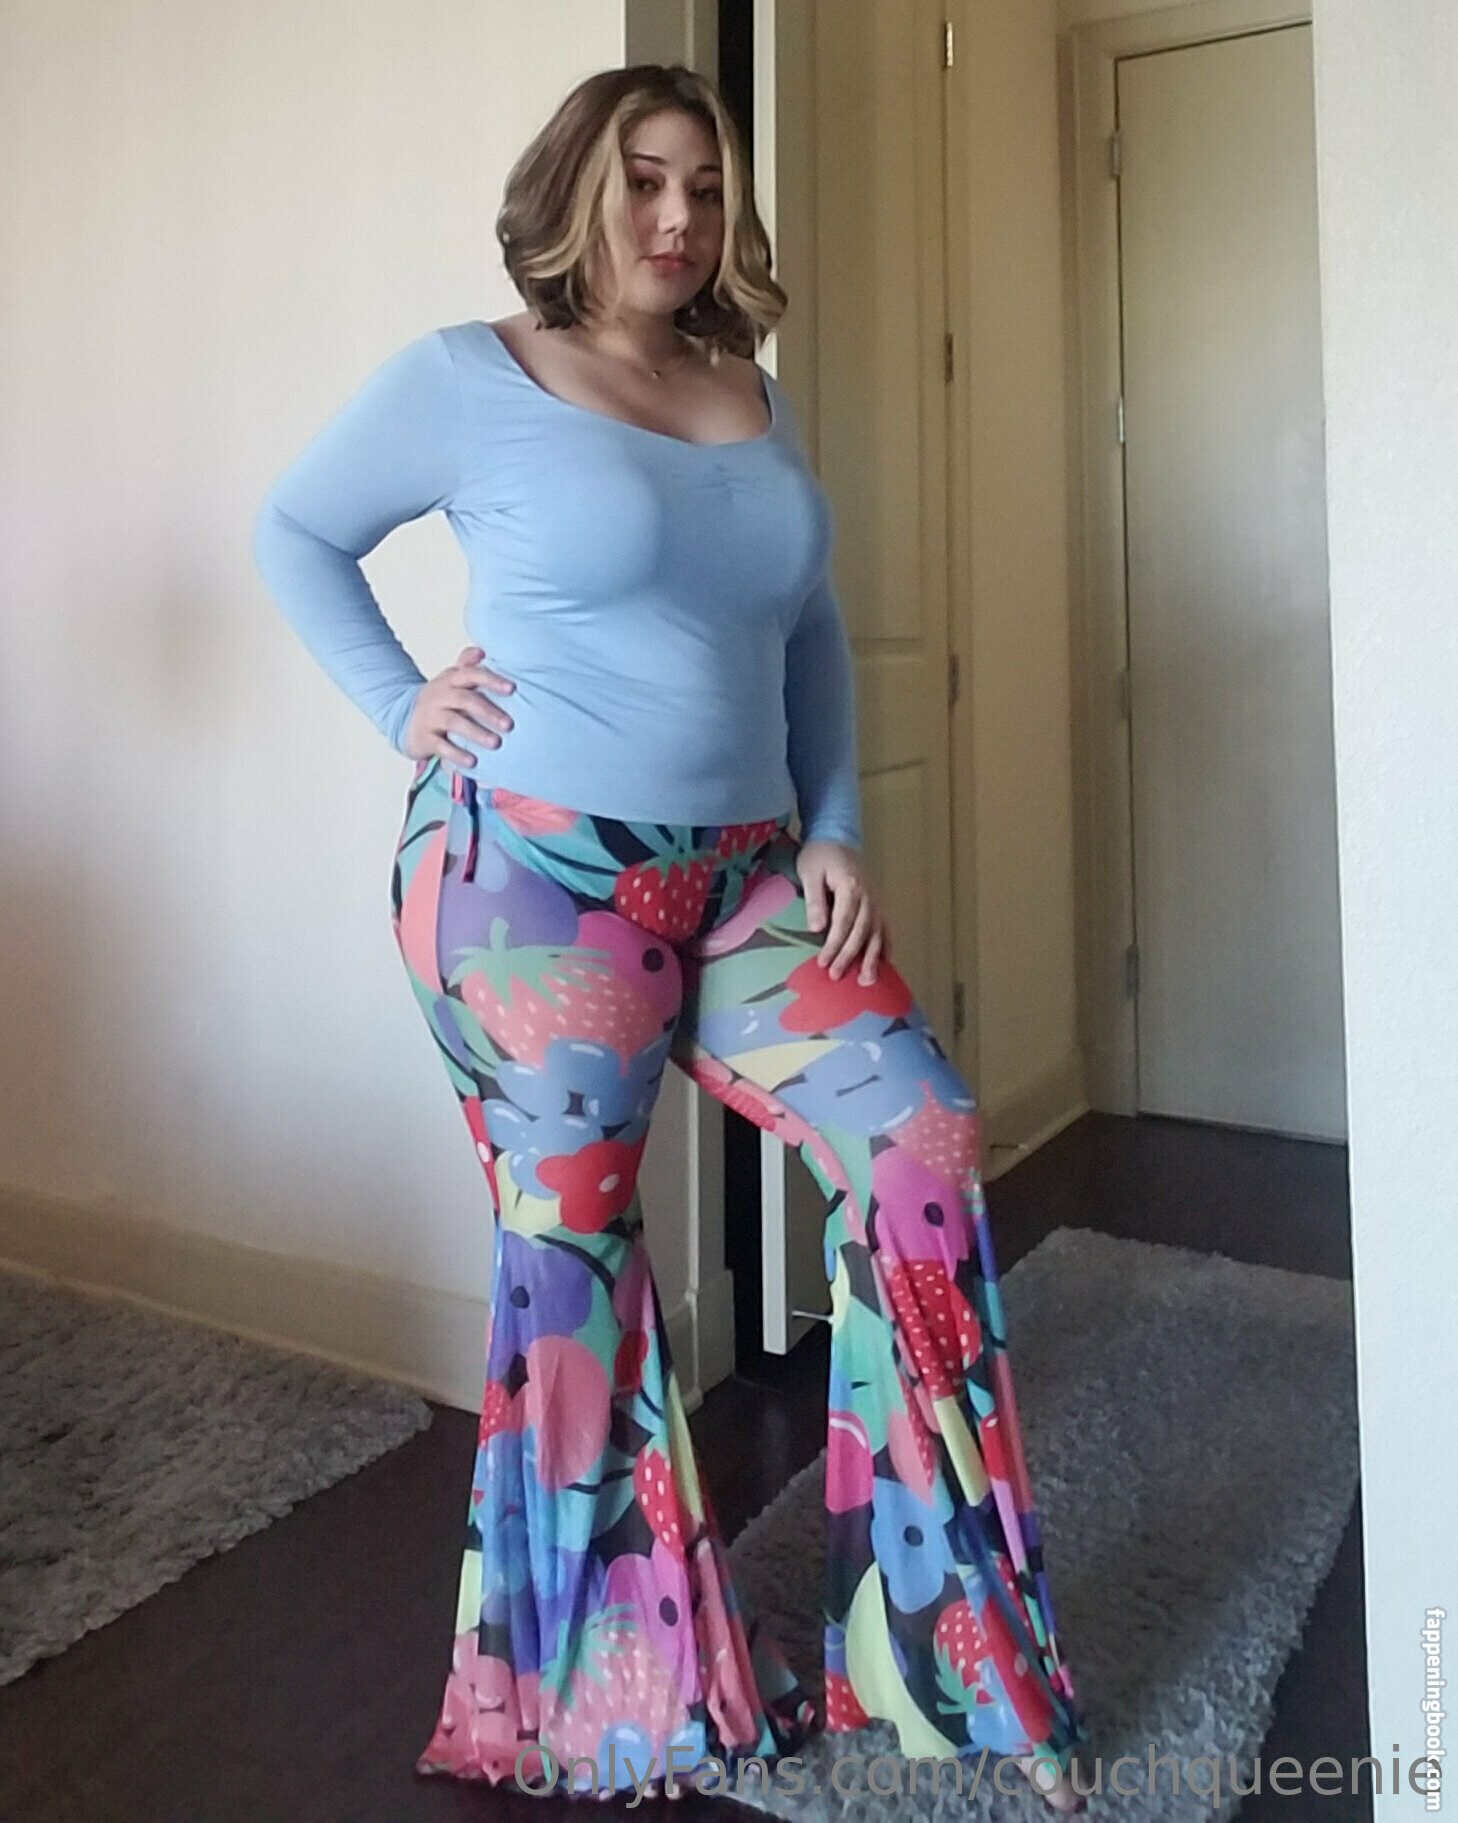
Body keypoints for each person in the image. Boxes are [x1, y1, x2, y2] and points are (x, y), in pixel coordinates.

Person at [252, 61, 1088, 1813]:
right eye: (642, 178)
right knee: (571, 1253)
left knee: (922, 1142)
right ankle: (607, 1688)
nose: (678, 215)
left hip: (746, 872)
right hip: (527, 877)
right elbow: (297, 530)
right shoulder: (468, 377)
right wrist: (404, 708)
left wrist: (835, 825)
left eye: (704, 185)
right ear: (576, 187)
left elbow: (806, 629)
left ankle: (940, 1650)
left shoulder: (744, 391)